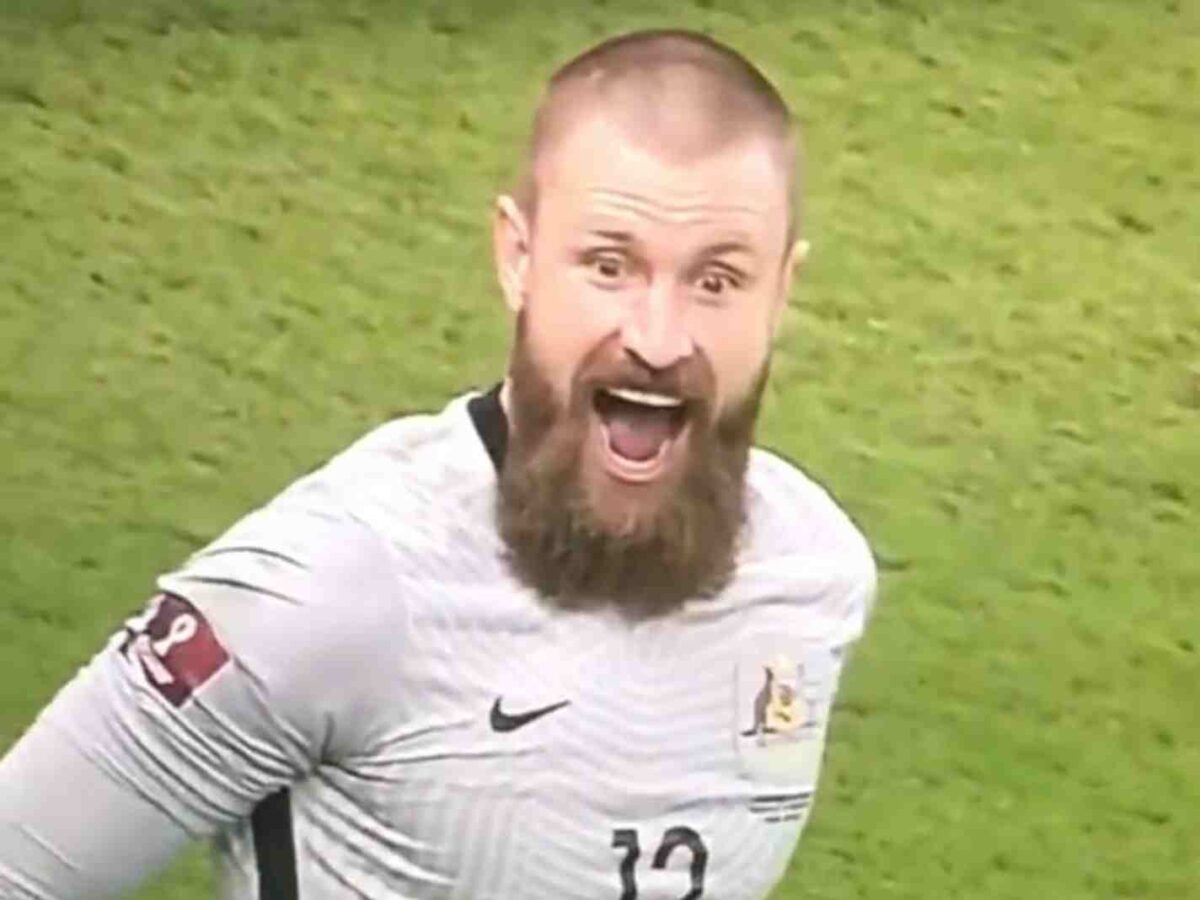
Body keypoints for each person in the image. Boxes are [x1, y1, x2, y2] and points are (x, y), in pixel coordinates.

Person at [0, 29, 876, 900]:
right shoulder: (331, 587)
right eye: (610, 266)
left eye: (716, 281)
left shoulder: (814, 577)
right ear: (518, 258)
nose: (657, 337)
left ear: (782, 292)